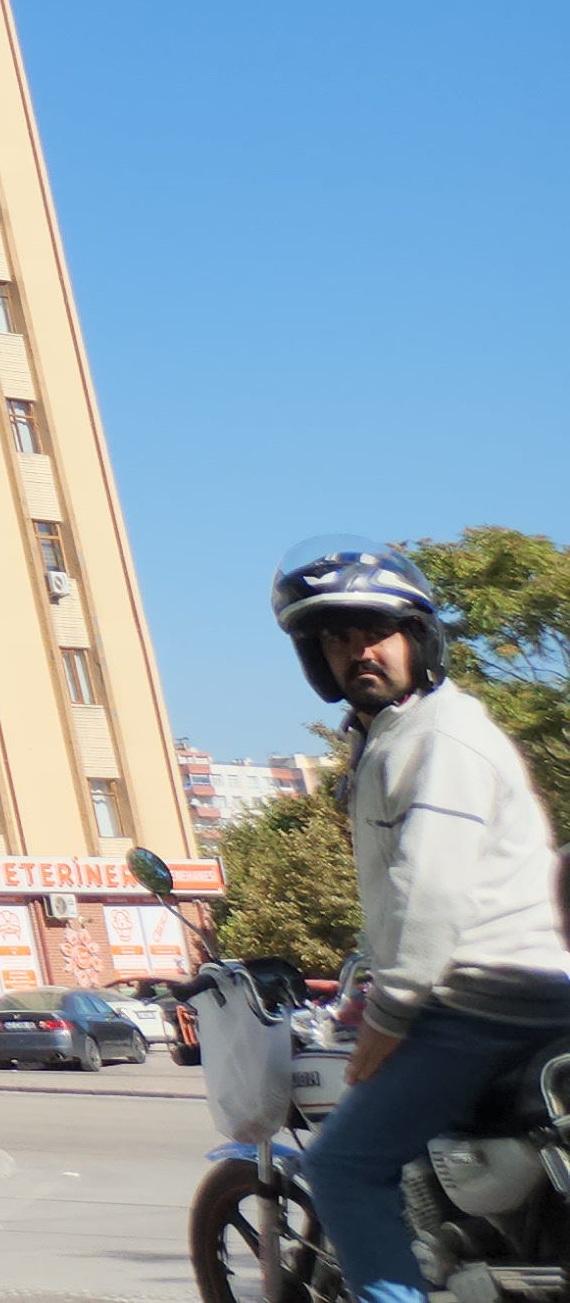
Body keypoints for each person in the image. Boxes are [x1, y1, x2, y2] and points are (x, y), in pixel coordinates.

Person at [272, 536, 570, 1303]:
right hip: (501, 989)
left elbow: (428, 889)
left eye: (375, 630)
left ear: (418, 637)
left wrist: (392, 1012)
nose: (357, 651)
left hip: (486, 997)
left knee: (342, 1165)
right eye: (336, 638)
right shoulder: (395, 739)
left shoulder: (441, 737)